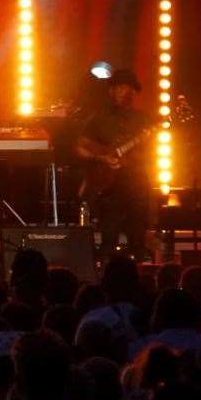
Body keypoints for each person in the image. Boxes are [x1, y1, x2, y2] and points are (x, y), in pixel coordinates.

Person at [75, 68, 153, 261]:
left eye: (126, 88)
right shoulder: (98, 118)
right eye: (118, 88)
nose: (122, 92)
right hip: (110, 188)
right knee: (109, 239)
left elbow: (151, 151)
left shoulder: (143, 120)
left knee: (138, 238)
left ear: (133, 92)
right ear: (111, 91)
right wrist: (101, 158)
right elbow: (80, 148)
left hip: (137, 183)